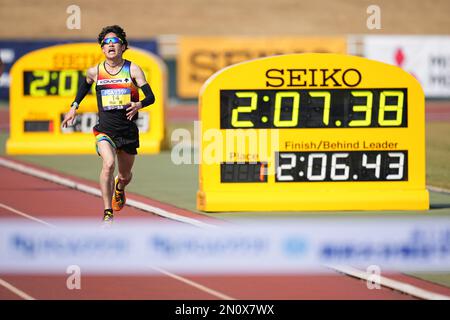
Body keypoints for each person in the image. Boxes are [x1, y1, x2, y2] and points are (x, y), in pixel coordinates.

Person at [61, 25, 155, 224]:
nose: (111, 46)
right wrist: (73, 107)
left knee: (125, 175)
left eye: (115, 42)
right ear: (102, 48)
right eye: (106, 43)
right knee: (108, 164)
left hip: (128, 130)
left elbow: (151, 97)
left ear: (123, 46)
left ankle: (119, 188)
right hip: (105, 130)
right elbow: (84, 85)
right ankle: (107, 213)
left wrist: (139, 104)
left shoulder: (133, 69)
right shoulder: (95, 71)